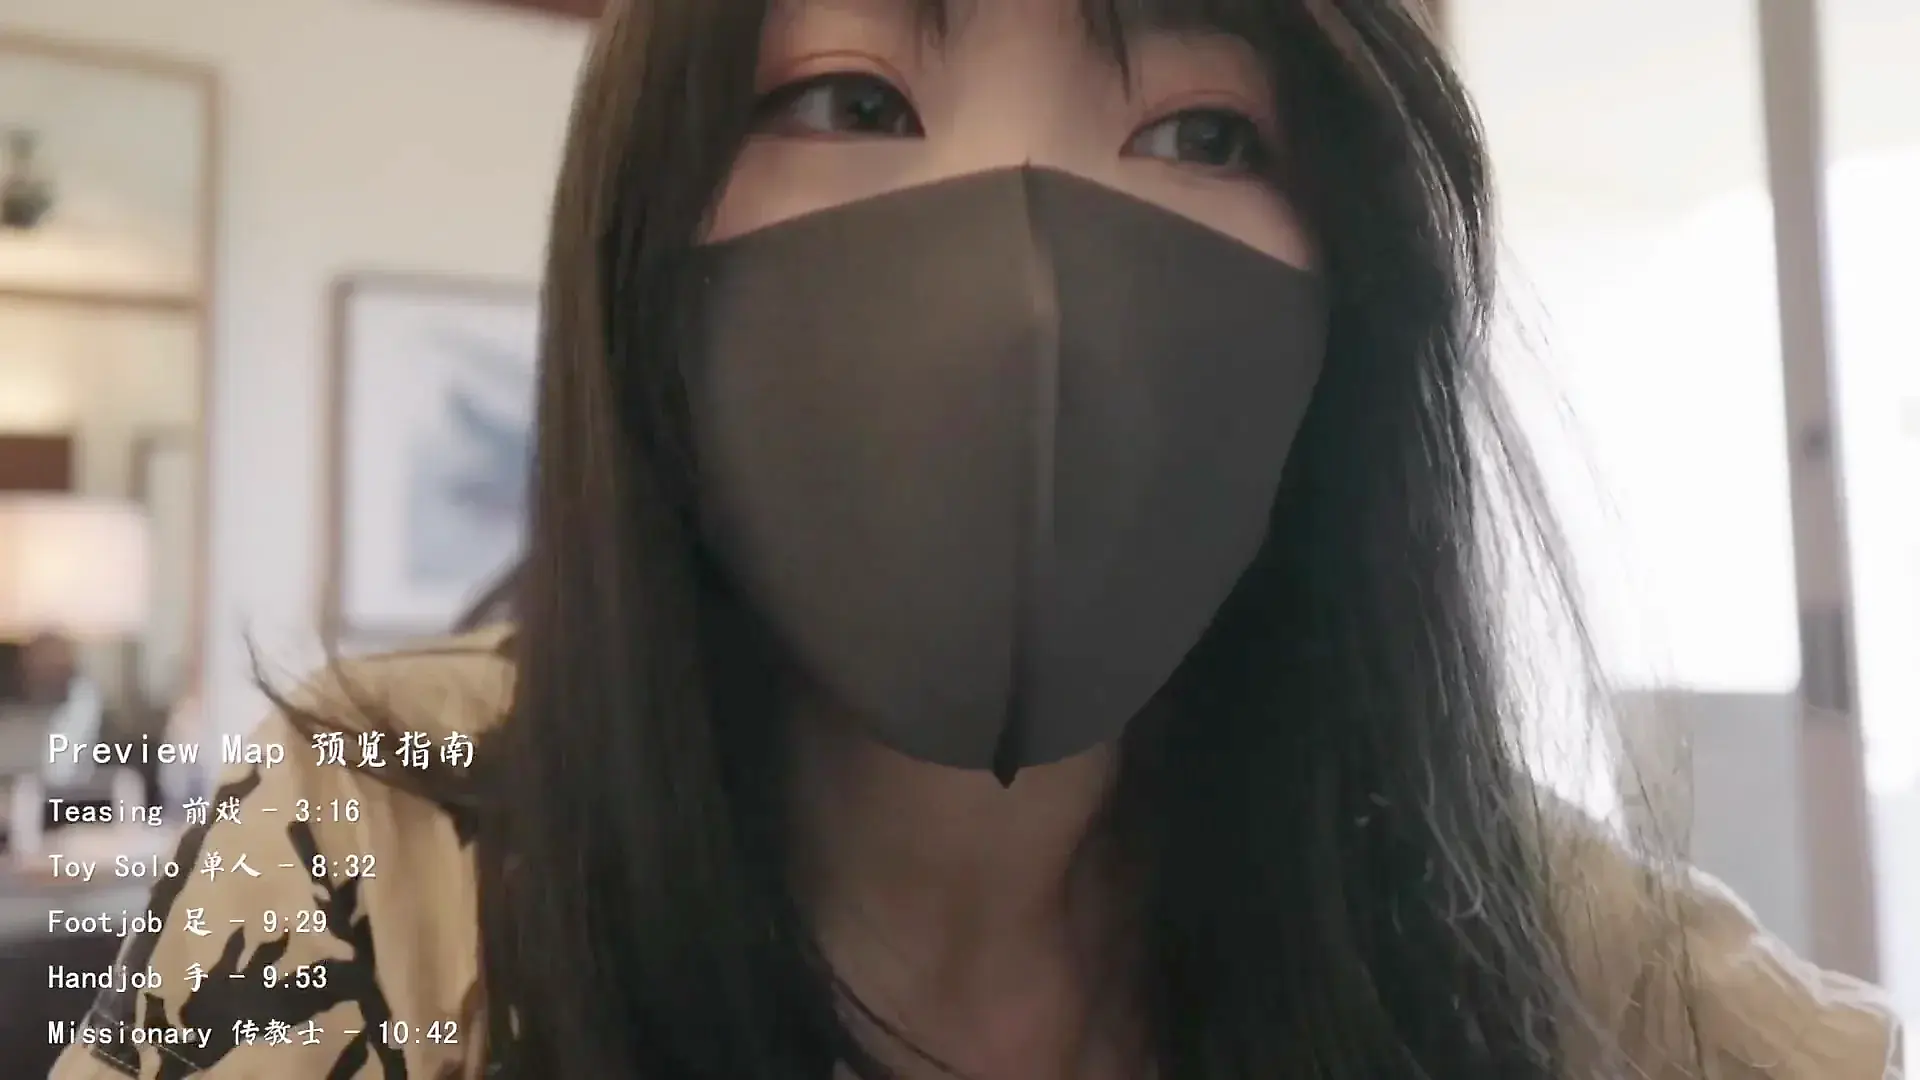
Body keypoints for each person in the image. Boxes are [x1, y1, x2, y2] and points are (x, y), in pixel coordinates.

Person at [52, 0, 1903, 1077]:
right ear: (642, 240)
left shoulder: (1494, 901)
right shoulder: (375, 826)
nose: (1030, 290)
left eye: (1203, 133)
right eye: (852, 98)